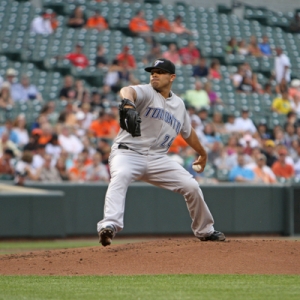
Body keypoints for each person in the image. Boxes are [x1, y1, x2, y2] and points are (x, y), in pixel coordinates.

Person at [97, 58, 226, 247]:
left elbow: (188, 133)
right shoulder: (148, 92)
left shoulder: (179, 105)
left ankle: (205, 231)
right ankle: (109, 225)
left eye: (160, 72)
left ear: (172, 77)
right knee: (121, 176)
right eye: (152, 72)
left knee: (191, 186)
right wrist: (127, 102)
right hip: (128, 153)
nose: (154, 75)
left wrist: (203, 153)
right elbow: (128, 90)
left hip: (157, 159)